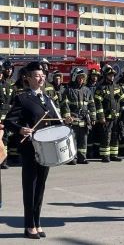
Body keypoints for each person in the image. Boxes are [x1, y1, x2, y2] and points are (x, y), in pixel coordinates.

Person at [4, 61, 72, 239]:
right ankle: (29, 225)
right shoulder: (22, 98)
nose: (41, 78)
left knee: (40, 187)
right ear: (28, 78)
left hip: (46, 149)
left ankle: (37, 221)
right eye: (37, 75)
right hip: (30, 148)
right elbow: (9, 121)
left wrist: (65, 120)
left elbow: (54, 122)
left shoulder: (48, 98)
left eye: (43, 75)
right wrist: (20, 129)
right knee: (30, 187)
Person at [61, 68, 96, 164]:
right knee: (73, 140)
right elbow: (65, 105)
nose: (81, 80)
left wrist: (93, 117)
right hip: (73, 120)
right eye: (79, 78)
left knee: (83, 140)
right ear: (74, 78)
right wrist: (67, 116)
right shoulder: (68, 90)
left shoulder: (87, 90)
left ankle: (82, 157)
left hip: (84, 120)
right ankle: (73, 158)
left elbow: (92, 104)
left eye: (82, 78)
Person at [95, 65, 124, 162]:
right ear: (105, 75)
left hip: (116, 116)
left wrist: (122, 110)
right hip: (106, 117)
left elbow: (123, 99)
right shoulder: (101, 88)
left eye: (113, 75)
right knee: (106, 135)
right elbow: (97, 103)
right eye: (109, 75)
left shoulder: (117, 86)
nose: (112, 77)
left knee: (115, 135)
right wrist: (101, 116)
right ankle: (105, 155)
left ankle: (114, 154)